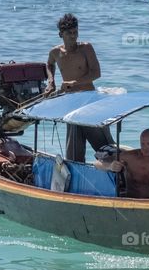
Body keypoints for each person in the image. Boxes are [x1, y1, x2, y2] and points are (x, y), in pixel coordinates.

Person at [46, 13, 113, 162]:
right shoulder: (55, 52)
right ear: (60, 34)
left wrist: (73, 83)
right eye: (69, 33)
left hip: (89, 101)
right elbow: (49, 64)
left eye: (75, 32)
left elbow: (96, 73)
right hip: (71, 104)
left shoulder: (86, 48)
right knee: (74, 150)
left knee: (104, 145)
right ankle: (77, 175)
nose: (73, 36)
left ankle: (116, 171)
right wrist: (51, 82)